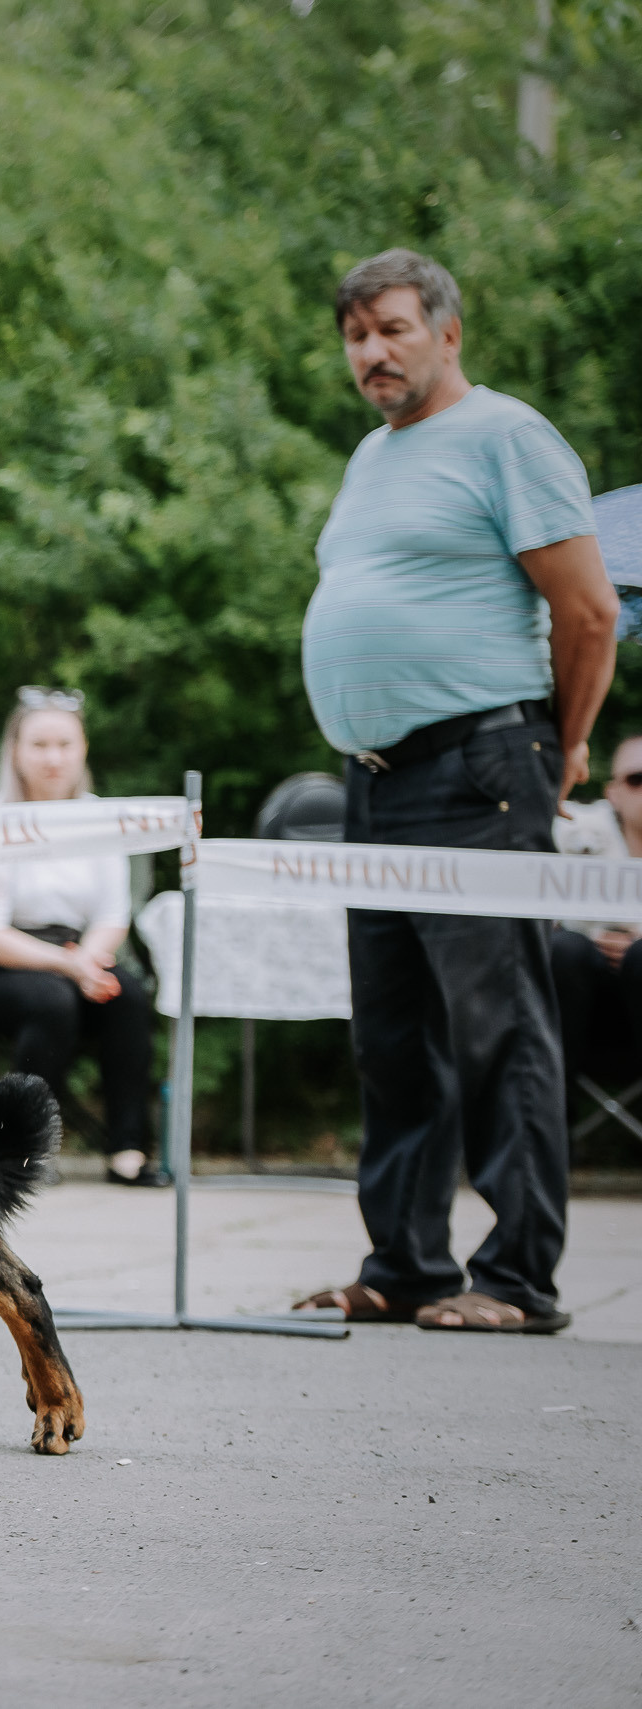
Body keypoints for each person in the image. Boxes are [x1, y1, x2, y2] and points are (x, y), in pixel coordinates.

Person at [292, 248, 613, 1335]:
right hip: (375, 785)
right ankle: (406, 1263)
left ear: (446, 330)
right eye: (355, 336)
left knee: (497, 1030)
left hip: (478, 767)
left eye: (390, 328)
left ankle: (517, 1276)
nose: (371, 352)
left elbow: (588, 613)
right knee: (392, 1036)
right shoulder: (373, 454)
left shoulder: (506, 436)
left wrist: (559, 750)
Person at [0, 688, 161, 1184]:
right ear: (15, 750)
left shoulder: (100, 817)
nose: (53, 757)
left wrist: (88, 961)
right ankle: (21, 1149)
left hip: (76, 953)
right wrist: (72, 967)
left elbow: (111, 914)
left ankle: (127, 1151)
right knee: (53, 1001)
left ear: (82, 748)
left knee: (127, 997)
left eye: (64, 744)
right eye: (39, 745)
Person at [548, 733, 642, 1104]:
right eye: (637, 780)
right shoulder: (575, 840)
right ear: (613, 793)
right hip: (582, 1015)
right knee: (563, 950)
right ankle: (547, 1141)